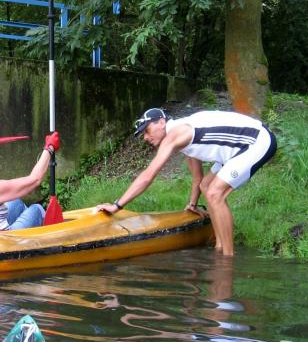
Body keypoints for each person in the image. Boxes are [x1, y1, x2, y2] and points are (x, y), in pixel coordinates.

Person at [94, 108, 277, 256]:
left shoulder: (176, 134)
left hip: (257, 141)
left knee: (215, 193)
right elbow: (198, 178)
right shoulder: (184, 141)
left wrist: (116, 206)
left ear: (161, 122)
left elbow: (148, 176)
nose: (145, 137)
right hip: (234, 151)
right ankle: (219, 246)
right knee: (207, 186)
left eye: (147, 130)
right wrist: (192, 204)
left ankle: (227, 259)